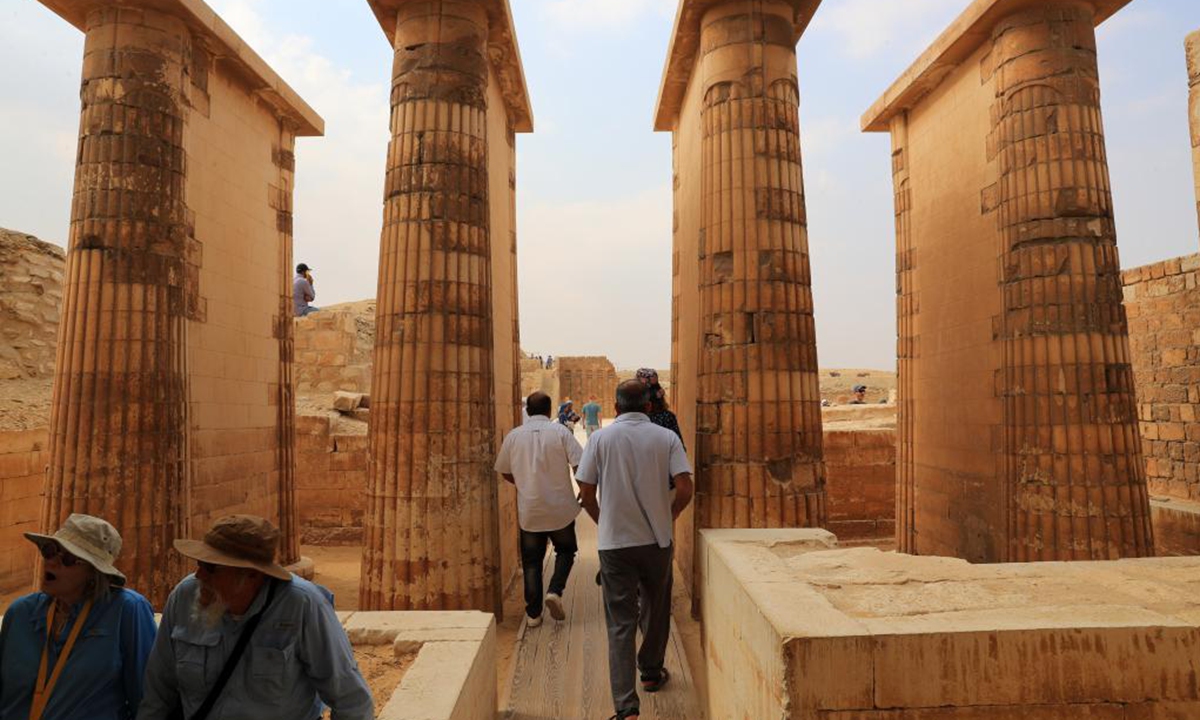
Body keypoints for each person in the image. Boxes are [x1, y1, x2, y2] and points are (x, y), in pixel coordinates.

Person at [138, 515, 373, 720]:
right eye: (199, 564)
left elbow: (351, 700)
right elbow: (159, 690)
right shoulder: (184, 596)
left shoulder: (302, 605)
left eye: (211, 567)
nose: (198, 575)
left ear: (251, 574)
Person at [577, 381, 694, 720]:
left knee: (620, 623)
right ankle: (651, 672)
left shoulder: (600, 439)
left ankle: (626, 707)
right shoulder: (666, 437)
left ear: (615, 408)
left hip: (616, 545)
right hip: (656, 541)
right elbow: (685, 486)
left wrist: (605, 523)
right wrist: (668, 516)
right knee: (657, 610)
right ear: (647, 406)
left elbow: (585, 493)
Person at [0, 513, 157, 720]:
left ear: (93, 572)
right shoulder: (20, 613)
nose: (51, 563)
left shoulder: (127, 611)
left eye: (67, 558)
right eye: (49, 551)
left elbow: (147, 700)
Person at [494, 392, 584, 627]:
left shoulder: (514, 436)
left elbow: (503, 469)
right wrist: (584, 490)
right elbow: (579, 464)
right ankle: (555, 590)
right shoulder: (561, 432)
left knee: (532, 561)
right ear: (549, 410)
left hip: (530, 509)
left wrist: (524, 483)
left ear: (528, 410)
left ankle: (533, 614)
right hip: (560, 507)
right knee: (565, 551)